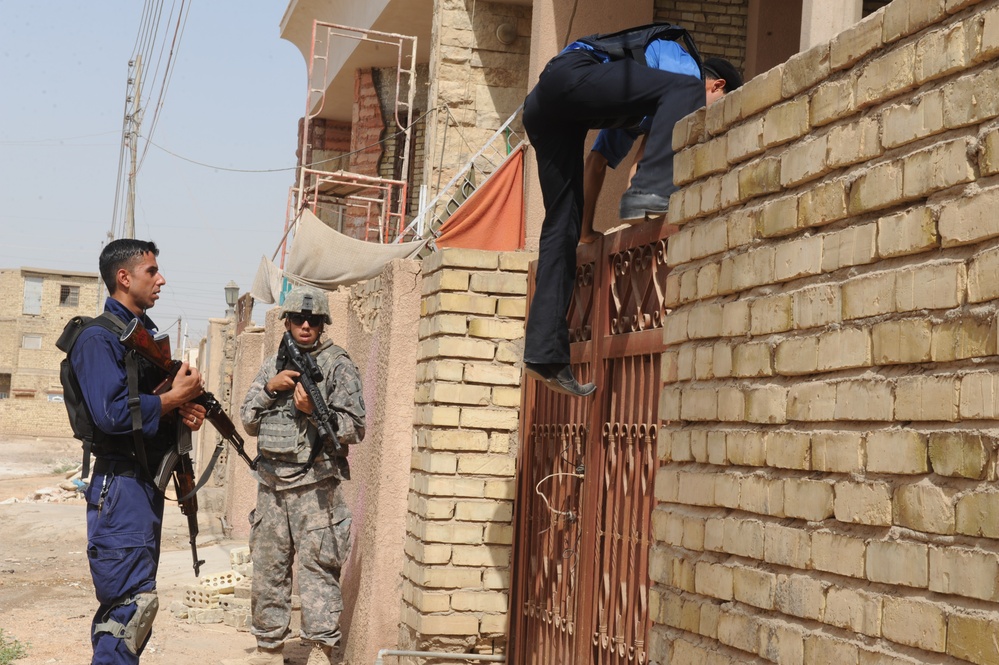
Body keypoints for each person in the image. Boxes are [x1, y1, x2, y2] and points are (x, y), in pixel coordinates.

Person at [522, 27, 742, 397]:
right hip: (570, 74)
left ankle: (544, 355)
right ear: (717, 86)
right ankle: (649, 195)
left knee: (563, 225)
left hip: (549, 109)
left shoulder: (632, 101)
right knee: (684, 91)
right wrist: (649, 194)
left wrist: (588, 232)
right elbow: (642, 168)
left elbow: (598, 162)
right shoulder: (687, 72)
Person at [71, 239, 206, 664]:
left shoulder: (139, 337)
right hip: (120, 486)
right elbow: (110, 414)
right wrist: (169, 400)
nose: (161, 278)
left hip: (140, 485)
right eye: (152, 271)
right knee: (126, 610)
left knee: (135, 606)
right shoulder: (98, 338)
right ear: (124, 278)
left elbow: (142, 406)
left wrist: (181, 410)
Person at [224, 285, 366, 665]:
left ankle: (320, 649)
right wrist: (271, 389)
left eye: (314, 320)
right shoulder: (272, 364)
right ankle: (269, 648)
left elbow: (355, 427)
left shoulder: (338, 365)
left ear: (322, 324)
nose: (305, 325)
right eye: (299, 319)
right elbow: (249, 420)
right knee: (269, 567)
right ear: (286, 321)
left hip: (316, 488)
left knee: (318, 569)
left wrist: (316, 414)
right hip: (271, 487)